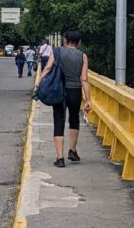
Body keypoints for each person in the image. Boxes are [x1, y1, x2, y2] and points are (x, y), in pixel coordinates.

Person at [36, 29, 93, 168]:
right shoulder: (82, 56)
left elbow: (48, 68)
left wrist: (39, 83)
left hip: (59, 91)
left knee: (58, 121)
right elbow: (84, 79)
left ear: (65, 40)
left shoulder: (57, 52)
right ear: (78, 42)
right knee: (74, 119)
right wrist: (88, 99)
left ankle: (60, 158)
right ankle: (72, 151)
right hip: (75, 92)